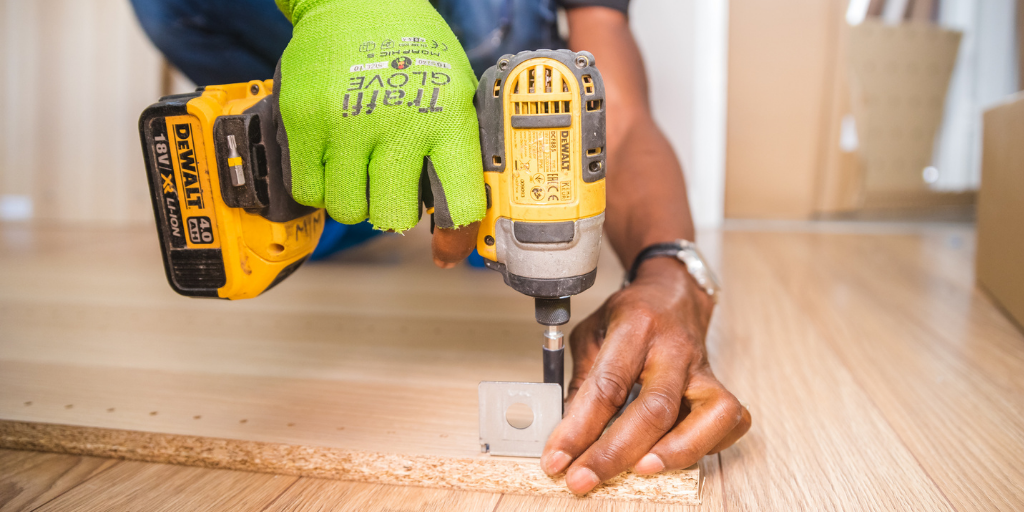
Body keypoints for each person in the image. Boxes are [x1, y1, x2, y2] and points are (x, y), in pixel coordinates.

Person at [130, 0, 751, 495]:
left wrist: (670, 271)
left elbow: (620, 111)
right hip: (316, 41)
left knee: (484, 23)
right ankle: (335, 140)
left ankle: (411, 167)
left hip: (485, 55)